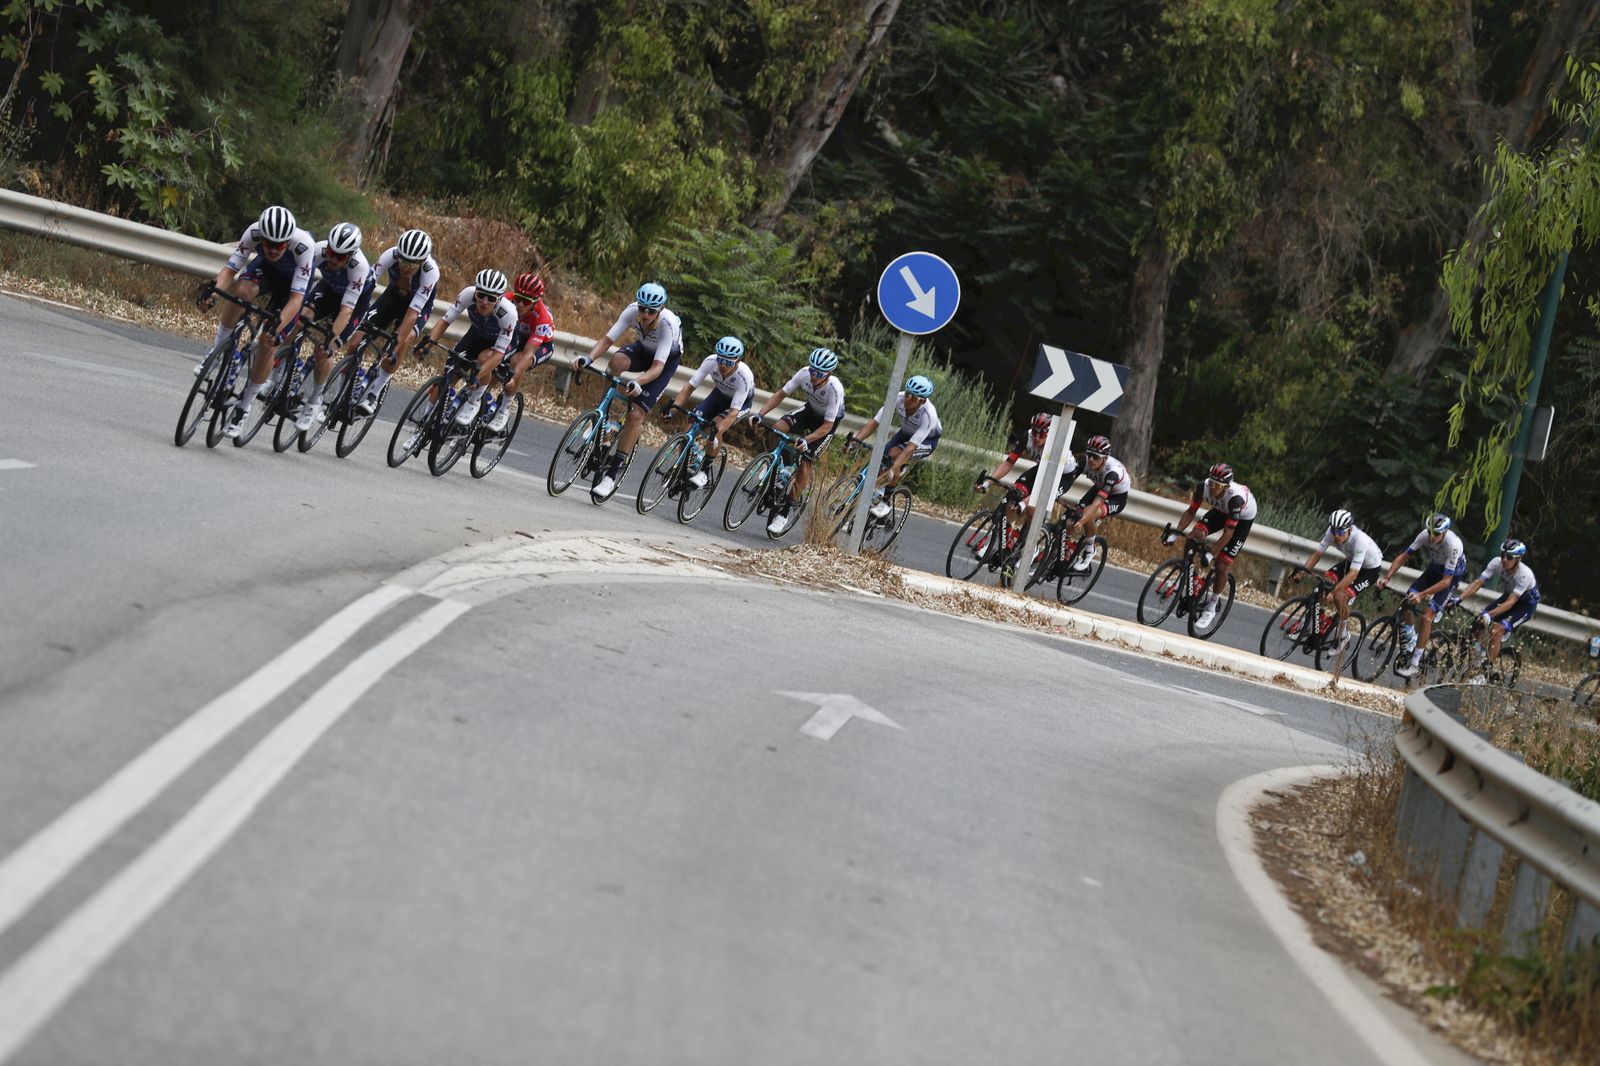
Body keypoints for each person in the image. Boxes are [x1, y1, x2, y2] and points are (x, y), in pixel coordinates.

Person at [195, 205, 315, 437]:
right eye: (268, 243)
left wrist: (278, 324)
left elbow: (296, 299)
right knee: (242, 291)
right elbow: (229, 271)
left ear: (288, 241)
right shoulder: (253, 232)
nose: (273, 249)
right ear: (262, 236)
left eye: (280, 245)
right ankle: (218, 350)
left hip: (291, 288)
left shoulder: (304, 246)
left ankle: (244, 406)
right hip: (266, 271)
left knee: (268, 343)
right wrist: (212, 294)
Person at [575, 281, 682, 500]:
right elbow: (607, 340)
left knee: (635, 415)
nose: (645, 314)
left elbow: (657, 367)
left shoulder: (667, 324)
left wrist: (638, 382)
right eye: (643, 308)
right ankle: (601, 416)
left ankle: (611, 475)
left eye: (651, 311)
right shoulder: (632, 310)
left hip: (664, 362)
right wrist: (588, 358)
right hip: (643, 350)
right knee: (616, 361)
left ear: (660, 310)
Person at [344, 228, 441, 416]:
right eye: (403, 261)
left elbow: (412, 313)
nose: (405, 267)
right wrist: (355, 312)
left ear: (422, 261)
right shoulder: (391, 254)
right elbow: (367, 285)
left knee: (400, 343)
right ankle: (341, 393)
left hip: (417, 307)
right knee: (356, 341)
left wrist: (395, 344)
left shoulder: (430, 272)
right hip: (392, 297)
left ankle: (374, 394)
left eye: (412, 264)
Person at [749, 347, 846, 535]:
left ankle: (785, 512)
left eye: (819, 373)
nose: (814, 376)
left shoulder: (835, 389)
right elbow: (780, 395)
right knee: (777, 429)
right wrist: (760, 414)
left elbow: (827, 426)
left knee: (805, 462)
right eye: (813, 371)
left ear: (829, 374)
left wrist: (807, 439)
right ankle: (779, 465)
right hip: (809, 411)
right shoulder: (804, 373)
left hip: (826, 424)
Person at [294, 222, 372, 431]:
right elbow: (300, 280)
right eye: (331, 253)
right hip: (328, 291)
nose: (333, 260)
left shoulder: (359, 267)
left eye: (340, 257)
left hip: (353, 304)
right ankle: (281, 373)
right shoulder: (318, 249)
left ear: (351, 256)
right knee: (298, 320)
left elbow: (346, 312)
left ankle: (315, 400)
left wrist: (330, 339)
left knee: (323, 350)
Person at [423, 268, 518, 428]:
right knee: (448, 376)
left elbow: (497, 355)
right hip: (477, 335)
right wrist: (427, 344)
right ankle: (423, 424)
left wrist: (476, 376)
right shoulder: (467, 294)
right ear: (475, 292)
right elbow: (445, 322)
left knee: (483, 360)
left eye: (491, 298)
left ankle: (474, 401)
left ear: (499, 299)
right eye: (481, 295)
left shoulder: (508, 313)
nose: (484, 302)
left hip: (501, 344)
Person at [1169, 463, 1258, 631]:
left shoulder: (1236, 499)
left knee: (1221, 564)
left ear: (1226, 487)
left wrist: (1211, 553)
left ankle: (1212, 606)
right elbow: (1190, 512)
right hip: (1221, 511)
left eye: (1217, 486)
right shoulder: (1202, 487)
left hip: (1241, 520)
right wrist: (1176, 532)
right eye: (1211, 483)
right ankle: (1188, 573)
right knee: (1194, 535)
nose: (1212, 488)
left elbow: (1228, 533)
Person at [1377, 514, 1467, 677]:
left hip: (1450, 577)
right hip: (1434, 569)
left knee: (1427, 617)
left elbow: (1446, 582)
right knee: (1407, 601)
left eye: (1436, 534)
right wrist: (1387, 577)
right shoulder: (1425, 535)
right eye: (1430, 532)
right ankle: (1411, 638)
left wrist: (1422, 594)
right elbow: (1403, 557)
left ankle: (1415, 663)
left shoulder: (1453, 545)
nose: (1432, 537)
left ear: (1445, 532)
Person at [976, 412, 1077, 557]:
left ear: (1050, 434)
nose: (1036, 438)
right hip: (1041, 468)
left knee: (1030, 508)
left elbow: (1043, 488)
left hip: (1062, 477)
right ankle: (1004, 540)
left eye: (1041, 434)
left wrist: (1024, 503)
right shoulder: (1027, 436)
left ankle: (1031, 544)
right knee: (1014, 494)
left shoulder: (1056, 447)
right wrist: (988, 483)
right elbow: (1008, 463)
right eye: (1035, 432)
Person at [664, 335, 754, 488]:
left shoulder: (744, 376)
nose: (723, 365)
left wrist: (716, 431)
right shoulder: (711, 361)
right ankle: (683, 466)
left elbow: (733, 413)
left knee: (716, 428)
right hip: (718, 396)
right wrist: (673, 410)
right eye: (720, 359)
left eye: (728, 362)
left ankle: (705, 472)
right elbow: (689, 388)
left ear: (737, 361)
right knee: (690, 425)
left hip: (739, 405)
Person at [1296, 508, 1385, 655]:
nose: (1336, 535)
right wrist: (1302, 573)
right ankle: (1311, 624)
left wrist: (1334, 592)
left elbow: (1353, 575)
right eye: (1334, 531)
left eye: (1340, 532)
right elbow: (1317, 554)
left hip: (1369, 570)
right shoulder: (1331, 532)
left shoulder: (1360, 541)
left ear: (1349, 529)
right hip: (1352, 562)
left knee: (1340, 596)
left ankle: (1343, 635)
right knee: (1325, 581)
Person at [854, 375, 942, 520]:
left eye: (913, 398)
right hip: (905, 433)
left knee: (894, 455)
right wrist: (856, 441)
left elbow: (911, 447)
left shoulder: (929, 415)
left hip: (927, 441)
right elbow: (875, 422)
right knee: (881, 457)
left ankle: (886, 501)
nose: (908, 399)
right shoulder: (898, 398)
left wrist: (895, 465)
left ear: (922, 401)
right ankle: (877, 492)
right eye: (908, 394)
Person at [1456, 539, 1540, 668]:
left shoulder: (1525, 574)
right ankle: (1478, 655)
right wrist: (1459, 598)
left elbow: (1511, 603)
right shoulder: (1496, 563)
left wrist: (1489, 615)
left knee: (1496, 631)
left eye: (1509, 557)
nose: (1504, 560)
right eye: (1503, 555)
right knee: (1477, 624)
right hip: (1508, 597)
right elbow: (1478, 583)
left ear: (1518, 559)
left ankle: (1487, 671)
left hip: (1524, 606)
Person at [495, 272, 557, 434]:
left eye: (526, 301)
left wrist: (513, 377)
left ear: (535, 301)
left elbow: (529, 353)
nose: (520, 304)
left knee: (517, 362)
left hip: (541, 346)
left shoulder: (542, 316)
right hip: (517, 338)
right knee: (496, 360)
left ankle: (505, 408)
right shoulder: (506, 300)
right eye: (518, 298)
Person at [1060, 434, 1130, 572]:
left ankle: (1089, 550)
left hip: (1116, 497)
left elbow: (1097, 502)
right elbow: (1067, 479)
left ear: (1105, 458)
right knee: (1072, 517)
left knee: (1088, 514)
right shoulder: (1085, 461)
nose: (1091, 459)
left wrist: (1081, 522)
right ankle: (1062, 549)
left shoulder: (1113, 472)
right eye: (1089, 455)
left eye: (1096, 457)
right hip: (1099, 488)